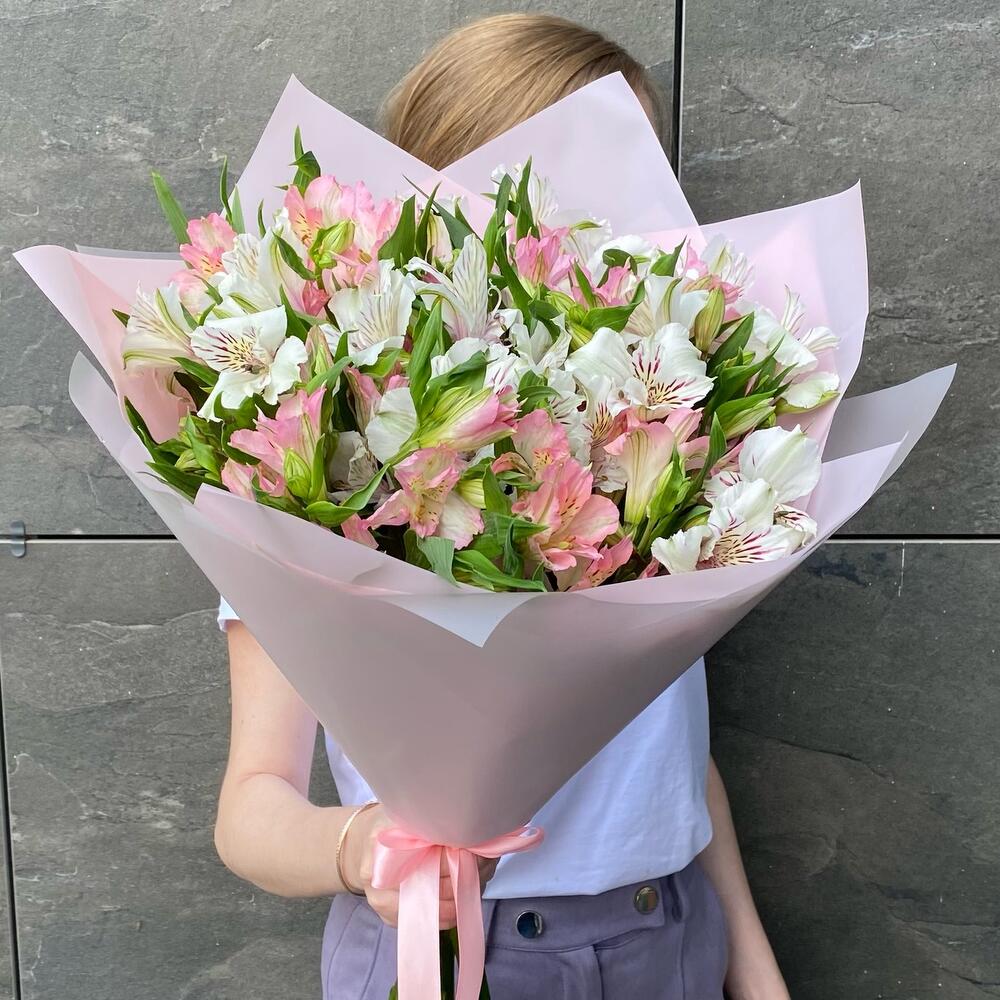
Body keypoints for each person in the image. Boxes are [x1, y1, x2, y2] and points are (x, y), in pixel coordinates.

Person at [212, 13, 790, 1000]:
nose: (630, 221)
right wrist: (366, 848)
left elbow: (675, 764)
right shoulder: (322, 465)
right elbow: (249, 809)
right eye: (589, 170)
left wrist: (758, 977)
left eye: (643, 176)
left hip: (668, 934)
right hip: (452, 951)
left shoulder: (661, 453)